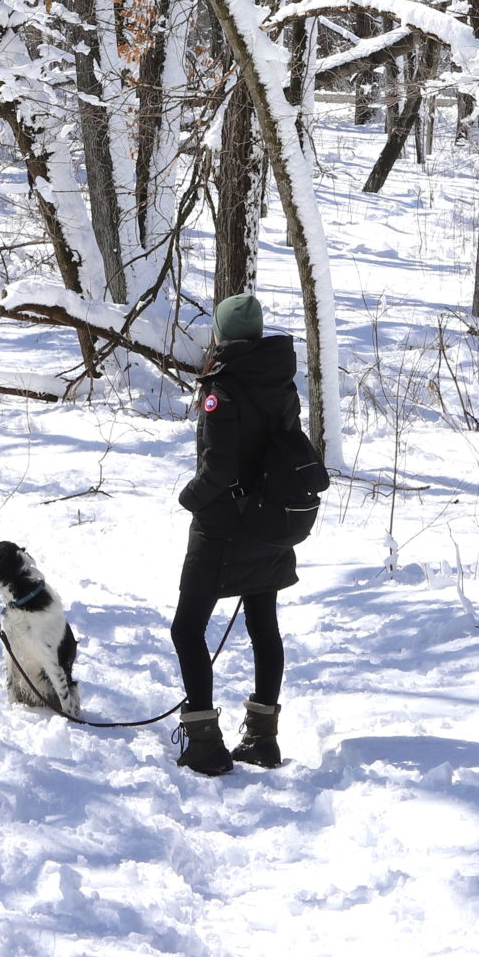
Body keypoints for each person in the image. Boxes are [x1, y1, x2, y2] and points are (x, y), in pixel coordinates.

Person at [170, 291, 300, 775]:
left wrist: (189, 498)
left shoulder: (220, 390)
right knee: (263, 625)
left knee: (186, 629)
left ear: (222, 333)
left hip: (222, 527)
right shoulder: (280, 379)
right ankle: (262, 740)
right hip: (270, 522)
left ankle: (205, 743)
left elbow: (218, 469)